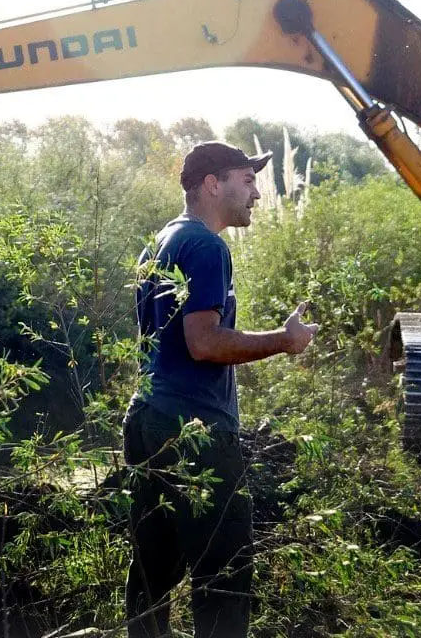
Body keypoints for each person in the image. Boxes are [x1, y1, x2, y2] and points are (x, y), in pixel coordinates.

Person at [123, 140, 319, 638]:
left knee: (153, 570)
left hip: (148, 418)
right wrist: (284, 340)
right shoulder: (208, 247)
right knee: (224, 573)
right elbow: (203, 344)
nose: (255, 193)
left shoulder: (162, 241)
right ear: (213, 184)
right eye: (247, 180)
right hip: (195, 431)